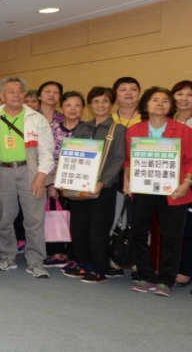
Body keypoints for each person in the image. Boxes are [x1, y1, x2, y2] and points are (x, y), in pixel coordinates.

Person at [0, 77, 54, 278]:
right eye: (11, 91)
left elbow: (47, 150)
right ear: (1, 96)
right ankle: (6, 256)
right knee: (4, 216)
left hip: (30, 172)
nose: (17, 95)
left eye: (20, 91)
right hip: (1, 173)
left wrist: (42, 174)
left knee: (35, 219)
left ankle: (35, 261)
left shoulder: (36, 118)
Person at [124, 87, 192, 296]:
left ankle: (165, 280)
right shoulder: (134, 130)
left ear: (171, 106)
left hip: (174, 190)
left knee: (171, 236)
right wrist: (126, 180)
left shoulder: (183, 130)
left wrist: (187, 183)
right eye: (155, 99)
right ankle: (145, 276)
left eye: (165, 100)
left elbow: (190, 161)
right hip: (142, 188)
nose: (160, 103)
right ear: (146, 105)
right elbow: (128, 160)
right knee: (138, 232)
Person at [57, 87, 126, 284]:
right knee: (79, 228)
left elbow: (118, 159)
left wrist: (102, 183)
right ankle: (84, 265)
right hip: (80, 186)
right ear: (90, 105)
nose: (100, 105)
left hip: (103, 188)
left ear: (111, 105)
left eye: (105, 101)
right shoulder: (83, 128)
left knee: (98, 230)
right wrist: (64, 180)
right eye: (96, 101)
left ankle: (100, 268)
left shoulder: (118, 129)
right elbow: (71, 154)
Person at [45, 91, 85, 267]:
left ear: (83, 109)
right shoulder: (51, 129)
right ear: (61, 109)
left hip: (80, 181)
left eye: (77, 105)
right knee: (55, 216)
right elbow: (45, 156)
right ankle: (57, 253)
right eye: (68, 105)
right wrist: (51, 183)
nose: (73, 109)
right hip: (56, 181)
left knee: (78, 220)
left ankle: (76, 256)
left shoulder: (88, 129)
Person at [171, 81, 192, 288]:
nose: (184, 98)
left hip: (190, 180)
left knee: (190, 227)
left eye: (190, 95)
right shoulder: (165, 120)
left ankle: (185, 270)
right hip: (167, 181)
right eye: (180, 94)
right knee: (174, 227)